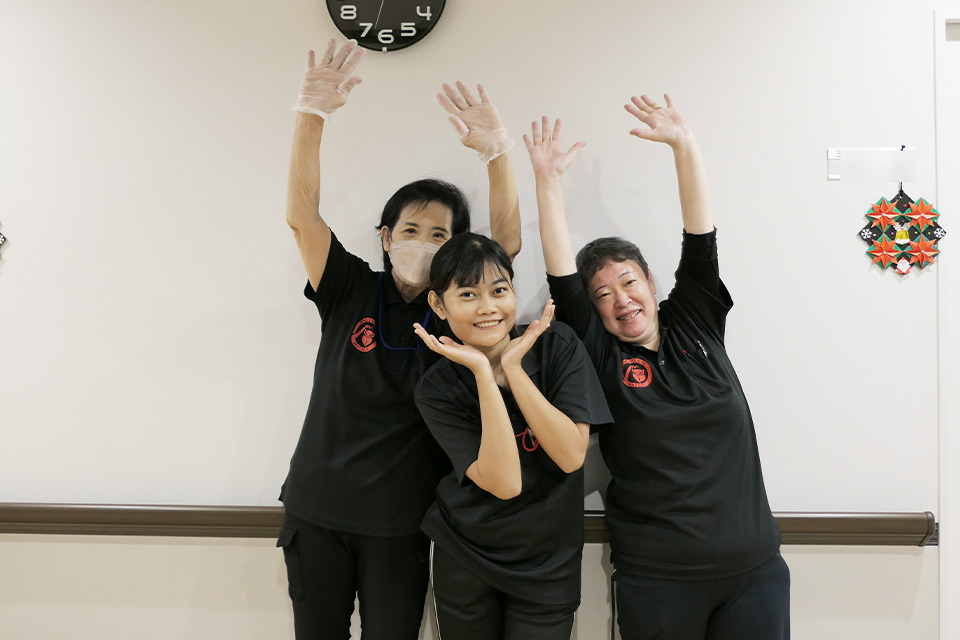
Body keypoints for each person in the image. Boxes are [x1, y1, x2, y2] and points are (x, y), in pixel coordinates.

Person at [277, 38, 521, 640]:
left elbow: (507, 246)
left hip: (403, 523)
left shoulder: (460, 310)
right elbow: (302, 217)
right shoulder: (350, 288)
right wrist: (312, 114)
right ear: (386, 236)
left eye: (439, 235)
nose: (422, 242)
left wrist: (497, 153)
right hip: (318, 508)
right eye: (409, 230)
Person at [524, 98, 789, 639]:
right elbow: (562, 276)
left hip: (754, 570)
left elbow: (701, 236)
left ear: (650, 281)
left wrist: (684, 146)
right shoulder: (600, 354)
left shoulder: (695, 320)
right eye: (603, 294)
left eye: (628, 282)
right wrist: (547, 182)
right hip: (659, 579)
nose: (621, 299)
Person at [413, 233, 612, 640]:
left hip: (548, 565)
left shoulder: (556, 345)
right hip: (466, 558)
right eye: (468, 295)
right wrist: (484, 375)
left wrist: (513, 368)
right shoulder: (437, 387)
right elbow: (505, 483)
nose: (488, 307)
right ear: (438, 304)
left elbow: (571, 456)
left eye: (499, 290)